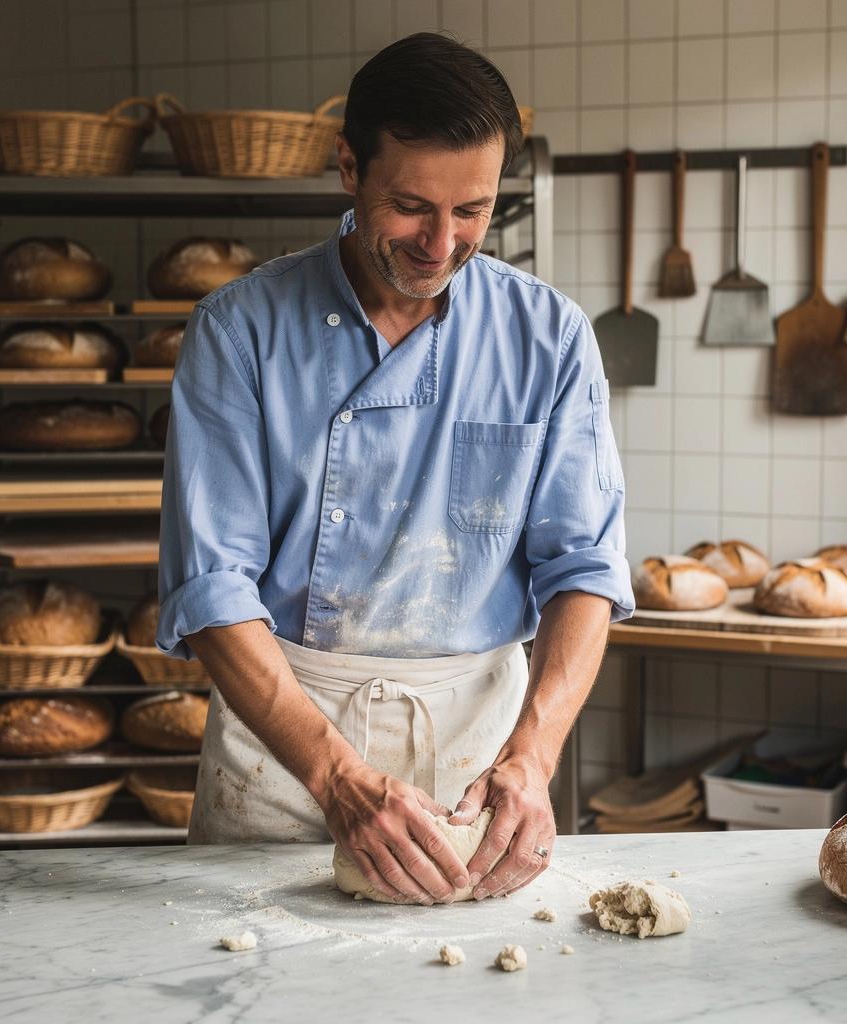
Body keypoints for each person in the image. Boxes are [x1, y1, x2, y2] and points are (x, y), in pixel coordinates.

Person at [157, 32, 633, 906]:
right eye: (411, 207)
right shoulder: (239, 331)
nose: (441, 244)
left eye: (473, 211)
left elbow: (586, 568)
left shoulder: (550, 337)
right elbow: (212, 587)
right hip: (281, 752)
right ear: (349, 167)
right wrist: (336, 777)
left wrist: (533, 755)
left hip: (477, 758)